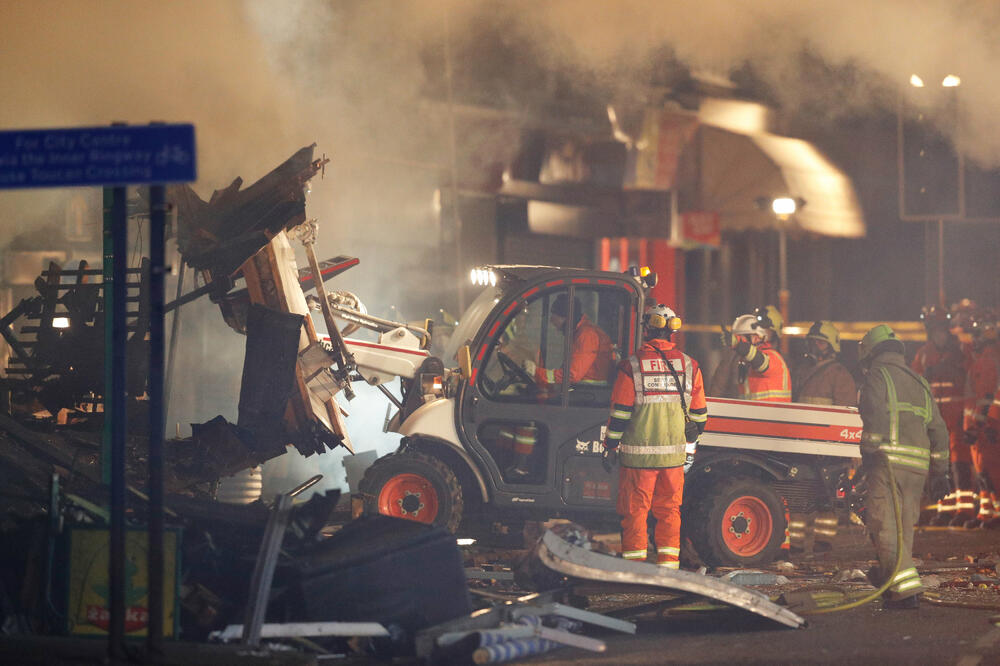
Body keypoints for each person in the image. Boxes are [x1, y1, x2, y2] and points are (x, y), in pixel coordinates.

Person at [602, 304, 707, 568]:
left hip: (639, 460)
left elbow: (621, 415)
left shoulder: (631, 367)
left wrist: (610, 446)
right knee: (670, 512)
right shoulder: (689, 366)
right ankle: (668, 569)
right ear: (672, 331)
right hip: (673, 460)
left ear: (647, 329)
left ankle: (635, 568)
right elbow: (700, 416)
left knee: (635, 513)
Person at [857, 324, 950, 609]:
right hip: (917, 468)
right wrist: (941, 472)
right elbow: (939, 430)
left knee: (884, 526)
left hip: (887, 463)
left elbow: (874, 417)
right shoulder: (921, 382)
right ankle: (893, 583)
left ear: (871, 353)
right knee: (902, 530)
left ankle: (906, 591)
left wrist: (868, 451)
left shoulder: (878, 375)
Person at [912, 305, 973, 525]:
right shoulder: (924, 353)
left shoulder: (962, 351)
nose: (938, 334)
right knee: (940, 465)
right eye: (934, 330)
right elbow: (915, 385)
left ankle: (964, 510)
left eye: (941, 330)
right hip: (935, 419)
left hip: (957, 417)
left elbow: (972, 381)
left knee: (960, 463)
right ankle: (944, 509)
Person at [524, 294, 614, 391]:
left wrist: (536, 372)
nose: (551, 321)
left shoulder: (587, 335)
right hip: (584, 392)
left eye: (554, 315)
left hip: (587, 395)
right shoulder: (580, 332)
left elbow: (572, 375)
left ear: (565, 317)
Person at [962, 311, 1000, 528]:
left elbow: (986, 398)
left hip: (988, 427)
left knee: (992, 469)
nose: (972, 340)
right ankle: (987, 512)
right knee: (984, 471)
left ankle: (995, 514)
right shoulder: (984, 361)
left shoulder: (988, 361)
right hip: (984, 426)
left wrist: (978, 425)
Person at [729, 309, 791, 402]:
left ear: (755, 338)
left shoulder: (773, 357)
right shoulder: (746, 362)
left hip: (772, 415)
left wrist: (738, 345)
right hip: (755, 415)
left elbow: (762, 362)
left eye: (741, 338)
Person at [793, 320, 857, 406]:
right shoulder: (801, 371)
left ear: (832, 346)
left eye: (820, 342)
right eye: (812, 342)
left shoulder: (840, 375)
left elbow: (845, 413)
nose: (815, 347)